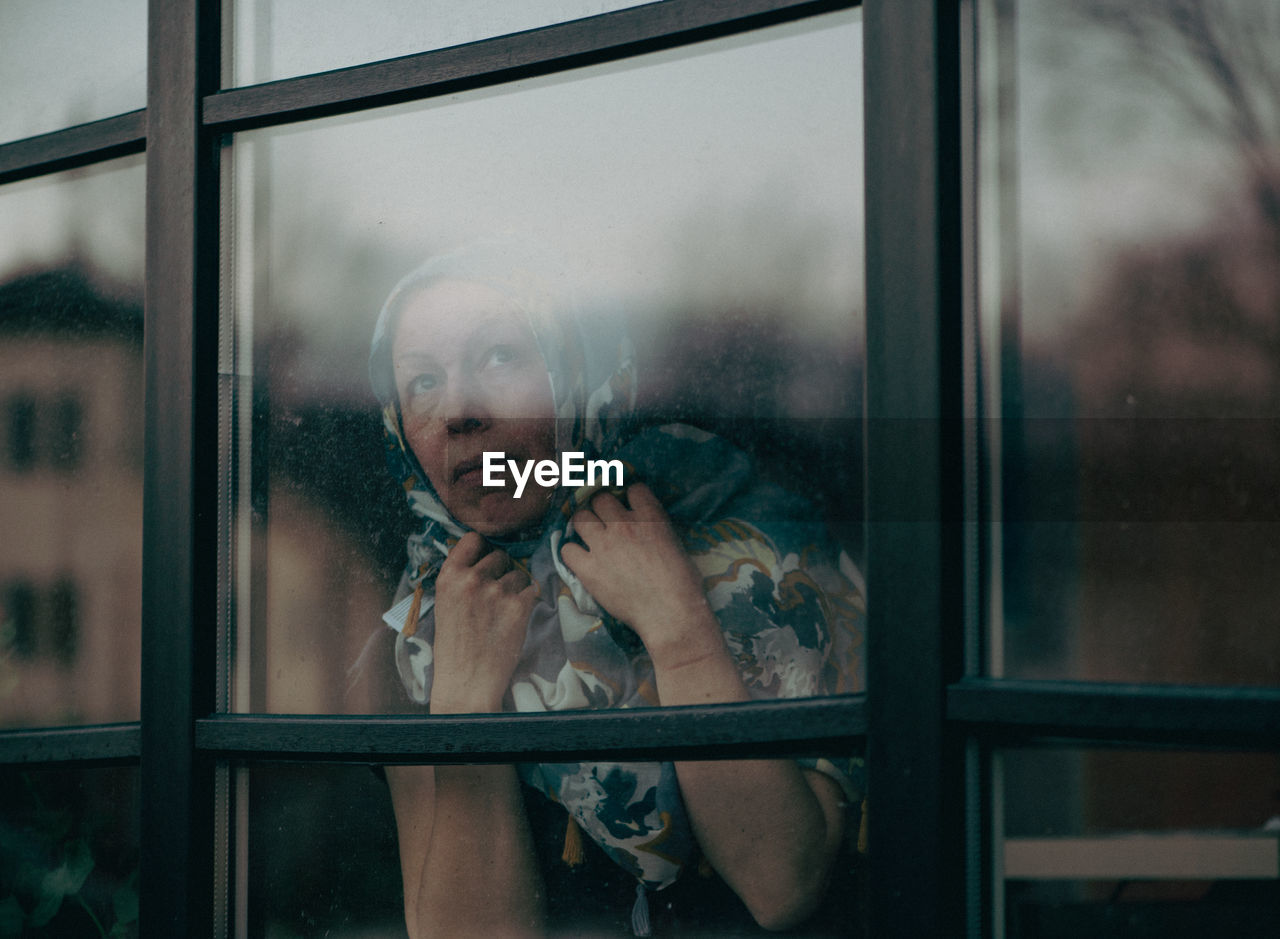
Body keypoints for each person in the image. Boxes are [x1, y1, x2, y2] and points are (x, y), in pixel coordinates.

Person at [364, 239, 865, 937]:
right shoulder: (425, 623)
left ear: (577, 366)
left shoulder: (735, 530)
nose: (458, 412)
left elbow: (783, 882)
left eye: (500, 357)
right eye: (421, 380)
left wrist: (679, 625)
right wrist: (463, 704)